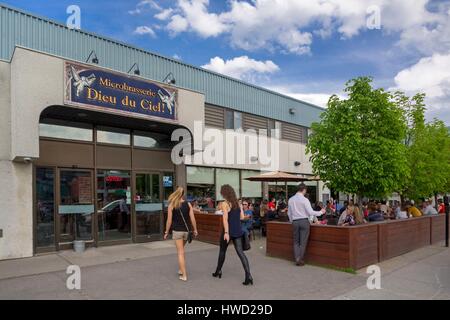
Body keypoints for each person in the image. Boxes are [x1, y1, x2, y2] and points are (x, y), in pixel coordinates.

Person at [212, 185, 253, 286]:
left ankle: (218, 271)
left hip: (229, 232)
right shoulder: (237, 203)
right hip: (238, 231)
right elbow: (242, 217)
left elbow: (225, 220)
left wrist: (226, 233)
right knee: (241, 253)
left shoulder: (225, 204)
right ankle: (248, 275)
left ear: (224, 193)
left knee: (222, 251)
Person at [164, 187, 198, 282]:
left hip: (177, 232)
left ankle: (184, 275)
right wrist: (195, 229)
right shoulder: (188, 204)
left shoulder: (172, 205)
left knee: (180, 253)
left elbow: (169, 221)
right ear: (183, 194)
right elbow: (193, 219)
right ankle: (181, 269)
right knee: (182, 251)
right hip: (187, 232)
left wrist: (166, 231)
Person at [288, 183, 325, 266]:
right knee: (303, 242)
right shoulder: (305, 200)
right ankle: (299, 259)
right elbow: (310, 212)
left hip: (295, 221)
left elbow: (289, 213)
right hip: (304, 221)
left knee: (296, 242)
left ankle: (297, 258)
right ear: (304, 190)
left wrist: (292, 221)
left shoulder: (291, 199)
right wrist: (321, 212)